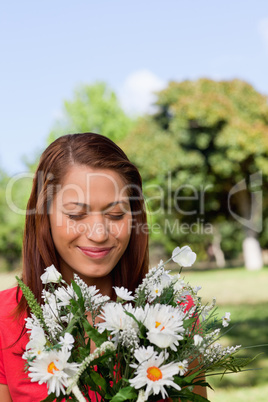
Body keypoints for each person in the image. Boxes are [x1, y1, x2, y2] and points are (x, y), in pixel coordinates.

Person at [0, 133, 207, 401]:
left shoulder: (176, 314)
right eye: (76, 214)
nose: (98, 234)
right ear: (43, 216)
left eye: (116, 214)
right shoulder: (5, 318)